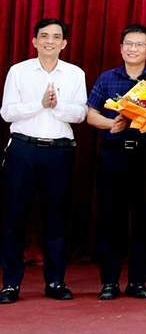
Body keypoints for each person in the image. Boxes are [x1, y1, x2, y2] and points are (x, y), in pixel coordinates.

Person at [0, 19, 88, 304]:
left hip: (58, 153)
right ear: (34, 41)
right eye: (44, 36)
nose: (50, 41)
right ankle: (10, 284)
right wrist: (39, 104)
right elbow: (7, 112)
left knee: (56, 220)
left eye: (56, 37)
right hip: (23, 151)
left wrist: (56, 105)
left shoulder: (75, 74)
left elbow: (79, 114)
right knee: (14, 220)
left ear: (64, 43)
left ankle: (55, 281)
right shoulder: (19, 71)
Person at [86, 24, 146, 300]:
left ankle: (138, 281)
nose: (133, 49)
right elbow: (90, 114)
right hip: (113, 154)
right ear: (121, 47)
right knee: (109, 218)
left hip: (145, 154)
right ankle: (109, 282)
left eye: (139, 44)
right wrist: (111, 124)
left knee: (144, 219)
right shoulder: (107, 78)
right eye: (128, 44)